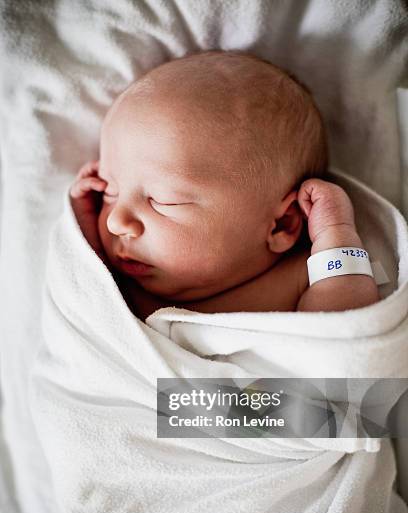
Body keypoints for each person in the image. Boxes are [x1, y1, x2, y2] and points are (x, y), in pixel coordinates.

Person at [70, 50, 379, 322]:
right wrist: (85, 240)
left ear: (281, 224)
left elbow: (347, 333)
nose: (115, 221)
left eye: (164, 200)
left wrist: (335, 236)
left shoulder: (300, 278)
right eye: (109, 190)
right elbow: (88, 305)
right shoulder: (124, 290)